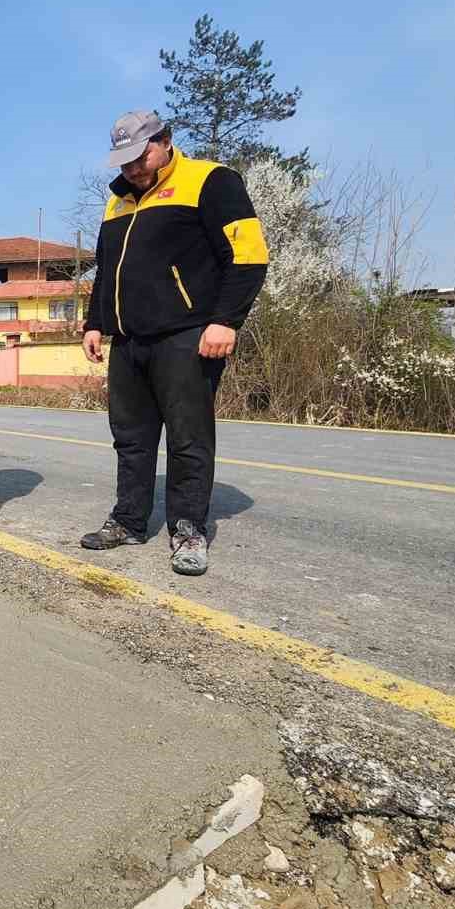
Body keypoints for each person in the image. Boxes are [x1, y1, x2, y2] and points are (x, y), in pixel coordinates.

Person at [78, 110, 268, 576]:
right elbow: (107, 270)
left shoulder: (210, 181)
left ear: (164, 141)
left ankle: (188, 530)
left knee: (187, 438)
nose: (132, 169)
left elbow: (248, 255)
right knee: (131, 438)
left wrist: (226, 320)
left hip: (188, 334)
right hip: (128, 339)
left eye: (139, 157)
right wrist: (95, 322)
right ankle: (128, 520)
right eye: (123, 162)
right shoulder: (117, 202)